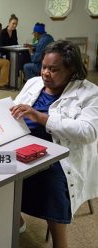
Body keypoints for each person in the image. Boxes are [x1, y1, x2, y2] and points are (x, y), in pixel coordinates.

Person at [10, 40, 98, 248]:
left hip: (60, 154)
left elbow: (88, 132)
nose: (46, 73)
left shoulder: (89, 93)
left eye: (53, 69)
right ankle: (16, 219)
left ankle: (61, 243)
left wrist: (41, 117)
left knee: (51, 181)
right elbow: (15, 107)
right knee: (0, 170)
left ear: (71, 69)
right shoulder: (33, 83)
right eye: (44, 67)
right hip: (23, 143)